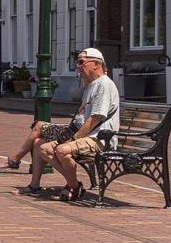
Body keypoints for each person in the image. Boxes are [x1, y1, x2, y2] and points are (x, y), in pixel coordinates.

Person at [37, 49, 119, 203]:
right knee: (44, 149)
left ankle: (73, 188)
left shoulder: (104, 85)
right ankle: (75, 185)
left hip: (101, 139)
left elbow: (95, 118)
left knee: (62, 150)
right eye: (77, 63)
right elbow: (82, 117)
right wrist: (67, 135)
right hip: (88, 137)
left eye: (81, 62)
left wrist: (73, 139)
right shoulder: (90, 85)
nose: (78, 66)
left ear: (96, 64)